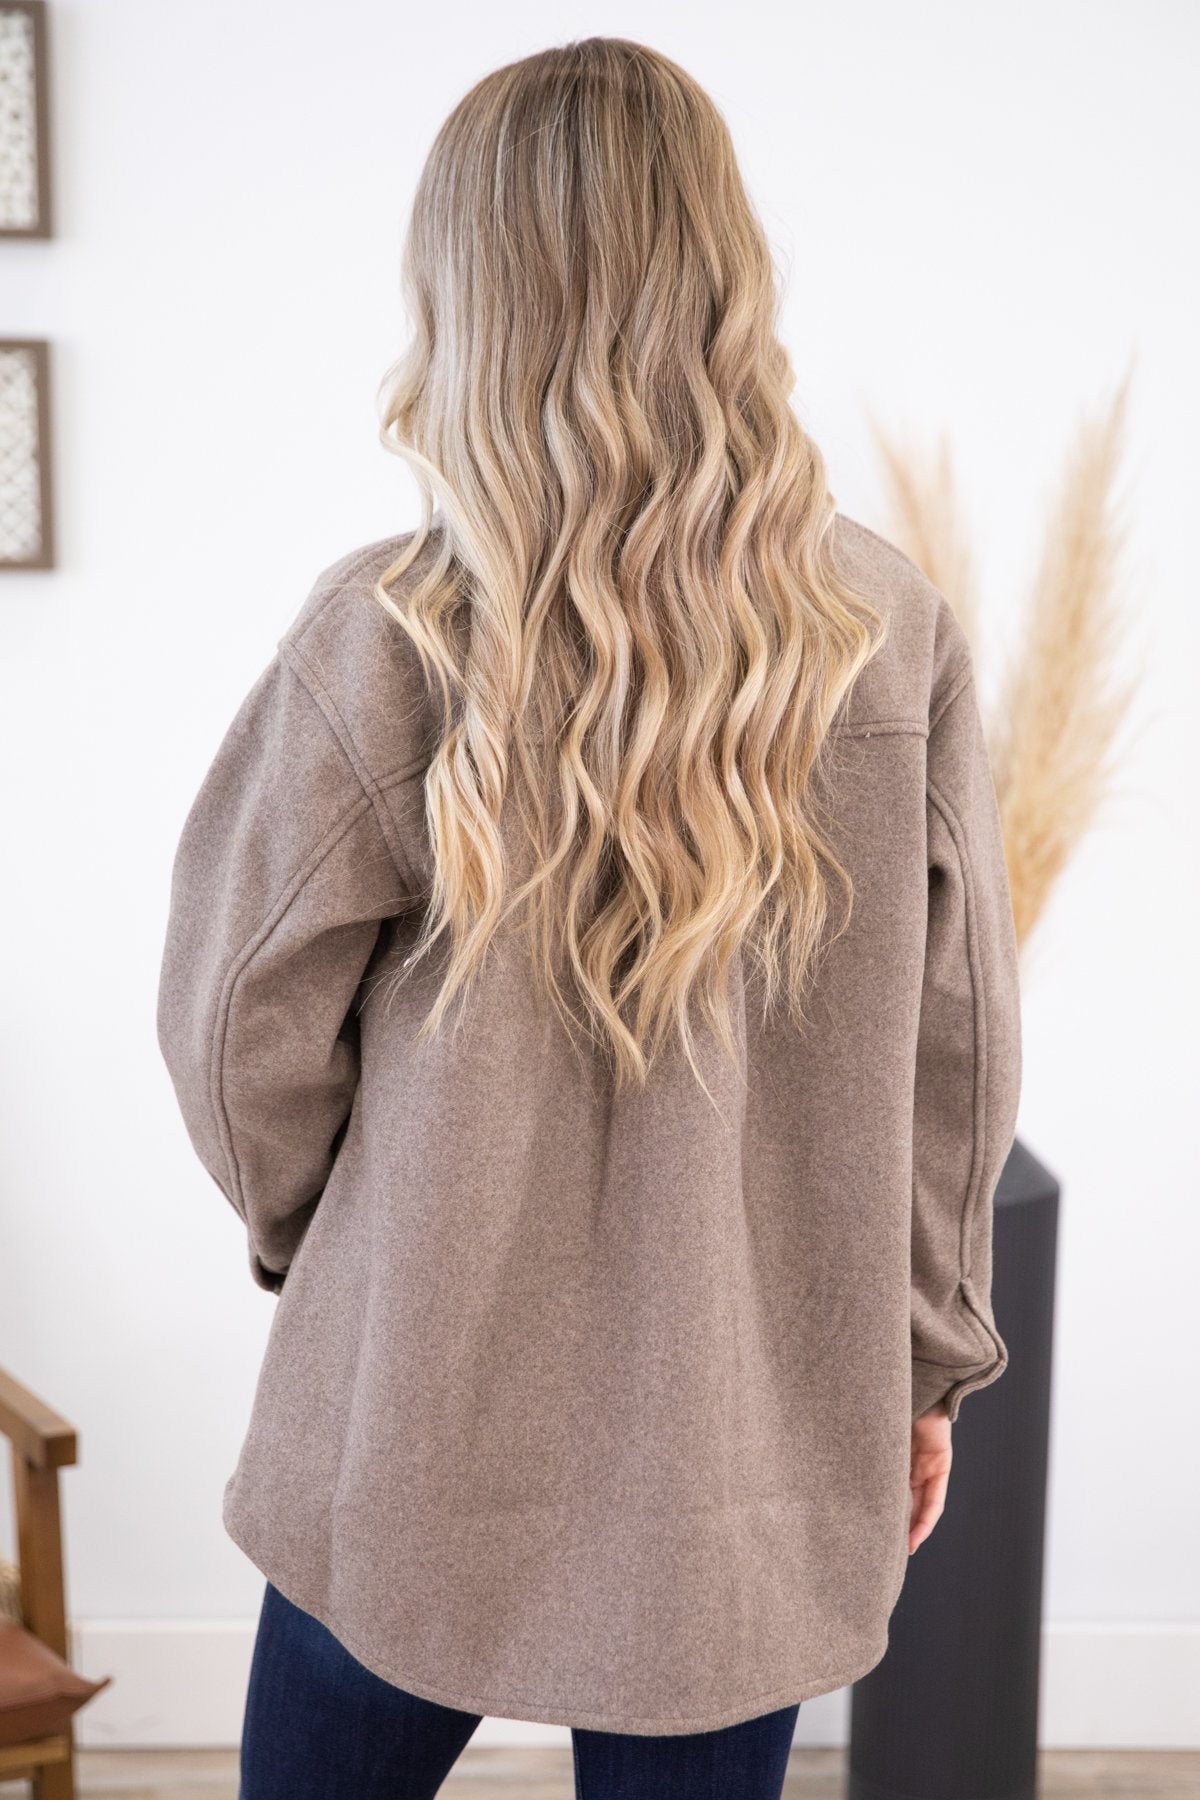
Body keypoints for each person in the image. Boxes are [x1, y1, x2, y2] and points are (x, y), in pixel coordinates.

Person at [156, 35, 1021, 1800]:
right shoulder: (887, 633)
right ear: (727, 273)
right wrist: (926, 1360)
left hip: (404, 1428)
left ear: (466, 295)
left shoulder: (386, 638)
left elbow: (235, 1031)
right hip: (735, 1464)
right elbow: (962, 1059)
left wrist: (340, 1241)